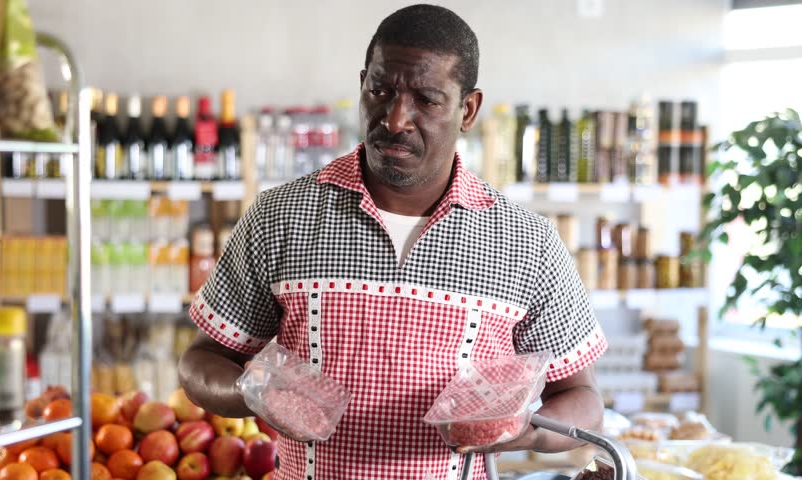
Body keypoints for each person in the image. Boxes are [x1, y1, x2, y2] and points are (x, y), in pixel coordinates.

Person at [179, 4, 606, 479]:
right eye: (380, 90)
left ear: (468, 109)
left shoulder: (526, 240)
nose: (396, 118)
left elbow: (583, 399)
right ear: (363, 84)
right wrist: (254, 393)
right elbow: (201, 362)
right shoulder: (281, 216)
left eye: (426, 99)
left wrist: (522, 430)